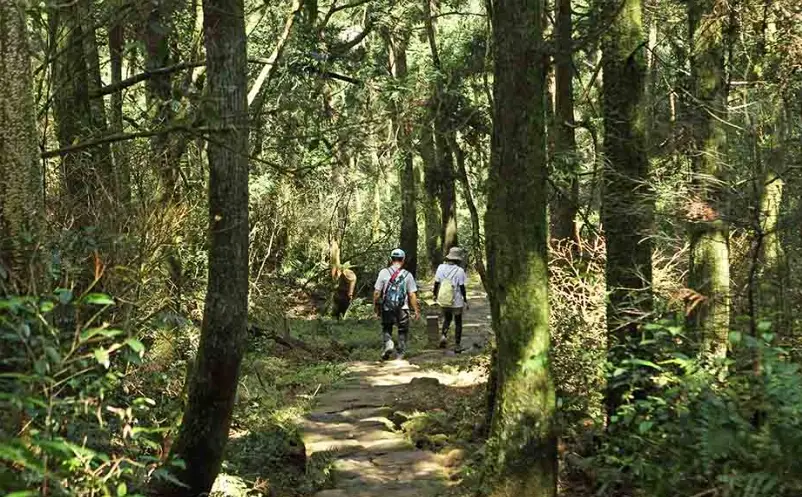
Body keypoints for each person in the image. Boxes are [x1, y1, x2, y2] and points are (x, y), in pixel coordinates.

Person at [373, 248, 420, 360]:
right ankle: (400, 354)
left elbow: (376, 292)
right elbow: (412, 294)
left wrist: (376, 309)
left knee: (387, 328)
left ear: (391, 259)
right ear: (403, 260)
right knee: (402, 331)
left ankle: (389, 343)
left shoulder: (383, 273)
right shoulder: (407, 275)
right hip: (402, 308)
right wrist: (416, 310)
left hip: (387, 307)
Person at [433, 246, 468, 352]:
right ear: (458, 259)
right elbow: (462, 287)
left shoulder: (440, 267)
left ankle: (443, 335)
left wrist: (435, 295)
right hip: (456, 300)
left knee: (447, 318)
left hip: (444, 299)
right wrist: (465, 300)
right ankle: (457, 344)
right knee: (458, 322)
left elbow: (436, 282)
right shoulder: (460, 271)